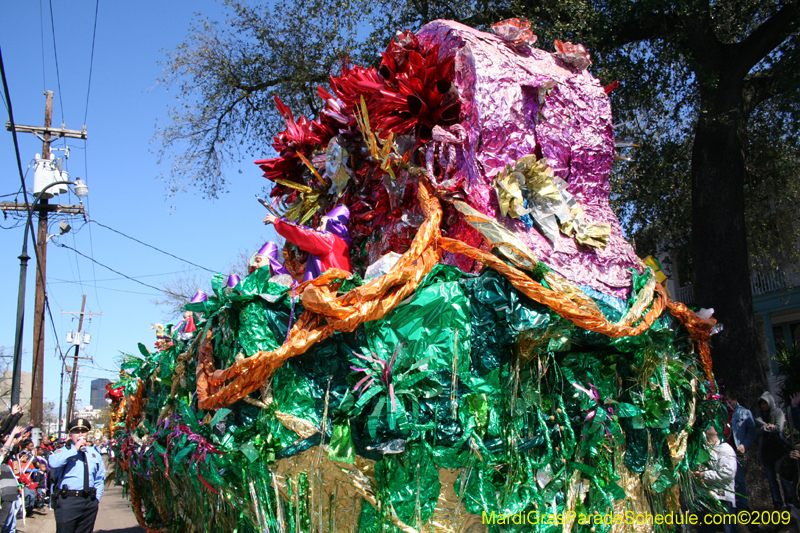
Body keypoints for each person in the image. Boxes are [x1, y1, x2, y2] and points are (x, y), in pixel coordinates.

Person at [263, 205, 352, 281]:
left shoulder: (329, 240)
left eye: (321, 224)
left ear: (331, 225)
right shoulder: (342, 245)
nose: (317, 229)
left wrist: (279, 222)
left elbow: (303, 234)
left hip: (327, 292)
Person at [48, 419, 106, 533]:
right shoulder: (62, 451)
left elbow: (99, 477)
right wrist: (75, 448)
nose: (80, 435)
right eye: (76, 432)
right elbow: (53, 464)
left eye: (83, 432)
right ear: (70, 434)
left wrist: (96, 499)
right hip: (68, 500)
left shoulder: (93, 453)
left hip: (88, 500)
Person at [696, 425, 738, 533]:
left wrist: (703, 475)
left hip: (721, 499)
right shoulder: (700, 451)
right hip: (703, 499)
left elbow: (727, 474)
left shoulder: (725, 449)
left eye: (711, 424)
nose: (707, 425)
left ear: (717, 430)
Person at [755, 391, 792, 508]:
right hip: (766, 451)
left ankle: (790, 502)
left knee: (784, 477)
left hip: (779, 450)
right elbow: (757, 431)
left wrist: (769, 428)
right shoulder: (759, 416)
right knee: (771, 478)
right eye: (761, 404)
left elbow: (779, 428)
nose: (763, 406)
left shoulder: (777, 412)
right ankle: (777, 502)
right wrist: (766, 428)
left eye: (765, 403)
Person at [725, 392, 756, 510]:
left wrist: (744, 445)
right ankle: (731, 505)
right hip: (725, 451)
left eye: (730, 401)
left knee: (739, 478)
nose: (727, 404)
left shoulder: (745, 412)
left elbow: (751, 432)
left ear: (735, 400)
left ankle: (742, 506)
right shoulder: (722, 413)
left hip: (738, 451)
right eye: (725, 402)